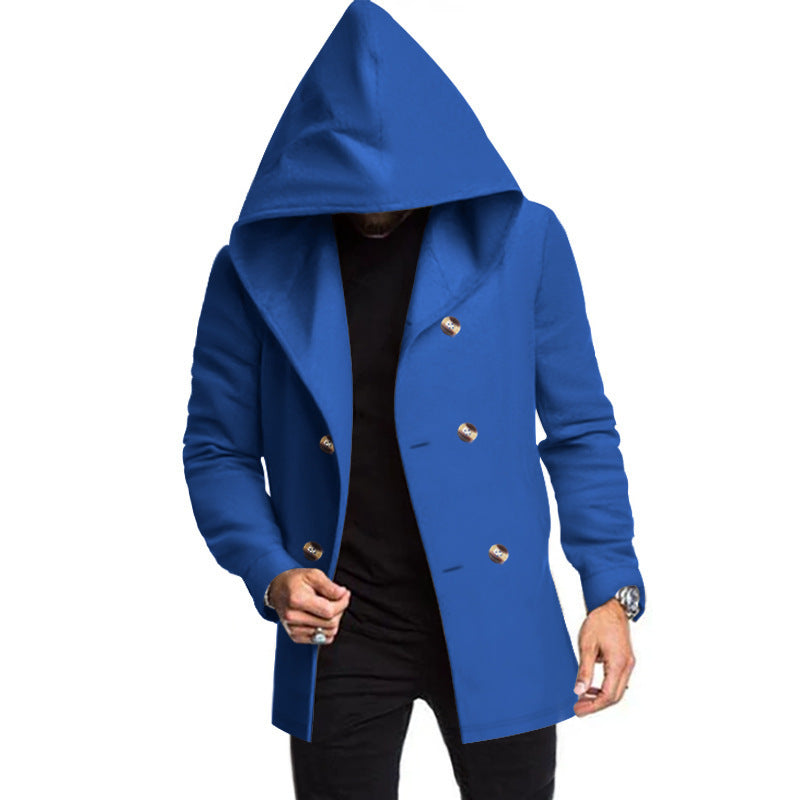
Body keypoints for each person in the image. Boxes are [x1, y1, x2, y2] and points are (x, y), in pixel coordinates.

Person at [182, 2, 645, 798]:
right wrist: (272, 571)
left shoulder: (523, 240)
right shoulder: (253, 268)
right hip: (339, 622)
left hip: (495, 610)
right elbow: (217, 448)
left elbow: (579, 429)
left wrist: (611, 591)